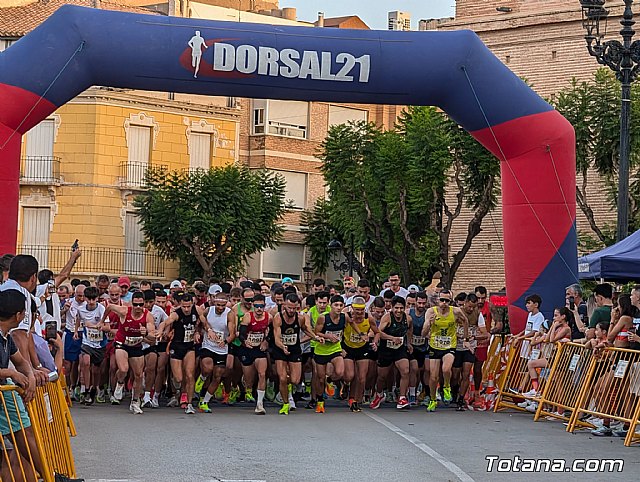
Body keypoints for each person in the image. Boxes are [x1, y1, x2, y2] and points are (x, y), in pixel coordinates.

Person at [0, 289, 47, 482]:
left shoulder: (6, 337)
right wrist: (11, 373)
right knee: (23, 439)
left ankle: (49, 475)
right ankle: (49, 476)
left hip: (5, 396)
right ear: (19, 315)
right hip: (4, 396)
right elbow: (15, 368)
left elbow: (20, 361)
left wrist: (30, 376)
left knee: (9, 451)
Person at [102, 291, 156, 414]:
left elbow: (153, 338)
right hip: (122, 343)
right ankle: (120, 383)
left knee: (139, 375)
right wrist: (102, 321)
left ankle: (135, 401)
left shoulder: (148, 316)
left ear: (144, 304)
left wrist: (146, 333)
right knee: (123, 368)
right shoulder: (124, 311)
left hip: (136, 345)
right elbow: (109, 307)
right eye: (135, 305)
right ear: (132, 303)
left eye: (140, 305)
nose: (138, 308)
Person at [0, 255, 49, 386]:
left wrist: (35, 366)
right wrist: (29, 374)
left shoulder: (3, 288)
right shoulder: (22, 294)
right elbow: (19, 335)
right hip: (11, 370)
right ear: (33, 277)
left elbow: (28, 336)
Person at [422, 290, 469, 412]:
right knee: (433, 377)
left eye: (447, 301)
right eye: (442, 300)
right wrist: (428, 323)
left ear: (450, 301)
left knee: (446, 369)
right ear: (438, 300)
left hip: (449, 346)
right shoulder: (431, 311)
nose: (444, 303)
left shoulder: (456, 311)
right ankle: (432, 399)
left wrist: (465, 338)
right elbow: (423, 333)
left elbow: (466, 321)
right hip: (434, 346)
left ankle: (446, 387)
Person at [271, 293, 318, 415]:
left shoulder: (300, 318)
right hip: (280, 349)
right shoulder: (278, 317)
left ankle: (288, 389)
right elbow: (276, 337)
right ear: (285, 305)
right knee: (282, 377)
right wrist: (282, 346)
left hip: (295, 349)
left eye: (294, 308)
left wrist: (316, 338)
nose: (292, 310)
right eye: (289, 307)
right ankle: (285, 403)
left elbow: (306, 330)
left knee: (295, 380)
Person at [160, 293, 204, 414]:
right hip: (176, 346)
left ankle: (189, 403)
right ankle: (179, 391)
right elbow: (166, 322)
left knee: (190, 375)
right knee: (179, 378)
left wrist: (199, 331)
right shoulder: (176, 313)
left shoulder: (198, 310)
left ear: (192, 304)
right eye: (184, 306)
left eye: (188, 306)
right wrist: (160, 330)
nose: (186, 309)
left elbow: (204, 321)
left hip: (189, 346)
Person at [370, 296, 412, 410]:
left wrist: (409, 343)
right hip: (386, 350)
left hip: (399, 349)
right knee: (382, 376)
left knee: (405, 370)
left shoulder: (407, 318)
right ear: (392, 308)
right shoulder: (387, 318)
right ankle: (378, 394)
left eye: (401, 308)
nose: (399, 311)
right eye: (396, 308)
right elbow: (378, 332)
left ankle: (402, 397)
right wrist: (391, 338)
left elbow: (409, 330)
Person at [197, 292, 235, 413]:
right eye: (218, 305)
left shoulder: (229, 314)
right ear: (214, 302)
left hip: (221, 348)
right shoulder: (209, 310)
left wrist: (226, 341)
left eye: (223, 306)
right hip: (208, 345)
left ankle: (205, 401)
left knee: (218, 376)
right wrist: (204, 331)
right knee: (208, 368)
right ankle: (202, 377)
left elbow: (232, 333)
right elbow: (200, 321)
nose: (220, 308)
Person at [452, 293, 488, 411]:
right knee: (455, 373)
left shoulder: (478, 314)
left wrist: (474, 337)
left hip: (469, 348)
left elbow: (484, 333)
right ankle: (454, 390)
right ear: (465, 302)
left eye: (474, 307)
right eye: (469, 306)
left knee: (466, 373)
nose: (471, 309)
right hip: (456, 347)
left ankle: (461, 399)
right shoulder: (457, 312)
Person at [342, 296, 379, 412]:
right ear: (351, 308)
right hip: (347, 347)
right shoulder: (346, 316)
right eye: (356, 310)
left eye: (361, 310)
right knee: (350, 375)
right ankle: (346, 385)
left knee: (362, 378)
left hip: (362, 348)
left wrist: (375, 342)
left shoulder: (369, 318)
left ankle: (356, 401)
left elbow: (377, 332)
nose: (359, 313)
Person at [313, 295, 348, 414]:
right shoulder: (323, 318)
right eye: (336, 305)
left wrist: (361, 334)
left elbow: (352, 326)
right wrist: (327, 336)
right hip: (321, 350)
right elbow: (316, 332)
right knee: (320, 378)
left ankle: (331, 381)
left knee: (340, 372)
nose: (338, 308)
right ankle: (320, 401)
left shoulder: (344, 317)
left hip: (335, 348)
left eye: (340, 305)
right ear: (331, 306)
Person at [74, 286, 107, 405]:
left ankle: (94, 388)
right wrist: (76, 331)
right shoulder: (81, 309)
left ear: (97, 298)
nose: (91, 302)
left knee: (96, 370)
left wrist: (96, 326)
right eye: (89, 299)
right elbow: (78, 319)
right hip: (86, 342)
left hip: (99, 343)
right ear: (85, 299)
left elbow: (107, 327)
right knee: (86, 363)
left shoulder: (102, 309)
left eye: (94, 299)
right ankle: (86, 389)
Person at [238, 293, 270, 414]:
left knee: (262, 374)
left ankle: (259, 404)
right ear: (253, 306)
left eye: (261, 306)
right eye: (256, 306)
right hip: (247, 349)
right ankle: (247, 386)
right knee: (249, 380)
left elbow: (272, 332)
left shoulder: (269, 317)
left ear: (264, 306)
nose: (259, 309)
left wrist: (266, 341)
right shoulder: (247, 317)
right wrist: (245, 341)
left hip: (259, 349)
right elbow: (241, 334)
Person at [141, 289, 168, 408]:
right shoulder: (139, 311)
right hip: (142, 343)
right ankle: (139, 393)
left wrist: (164, 333)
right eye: (145, 302)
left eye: (150, 302)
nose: (148, 305)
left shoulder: (159, 311)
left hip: (157, 343)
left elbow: (167, 322)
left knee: (159, 368)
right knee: (141, 369)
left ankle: (154, 395)